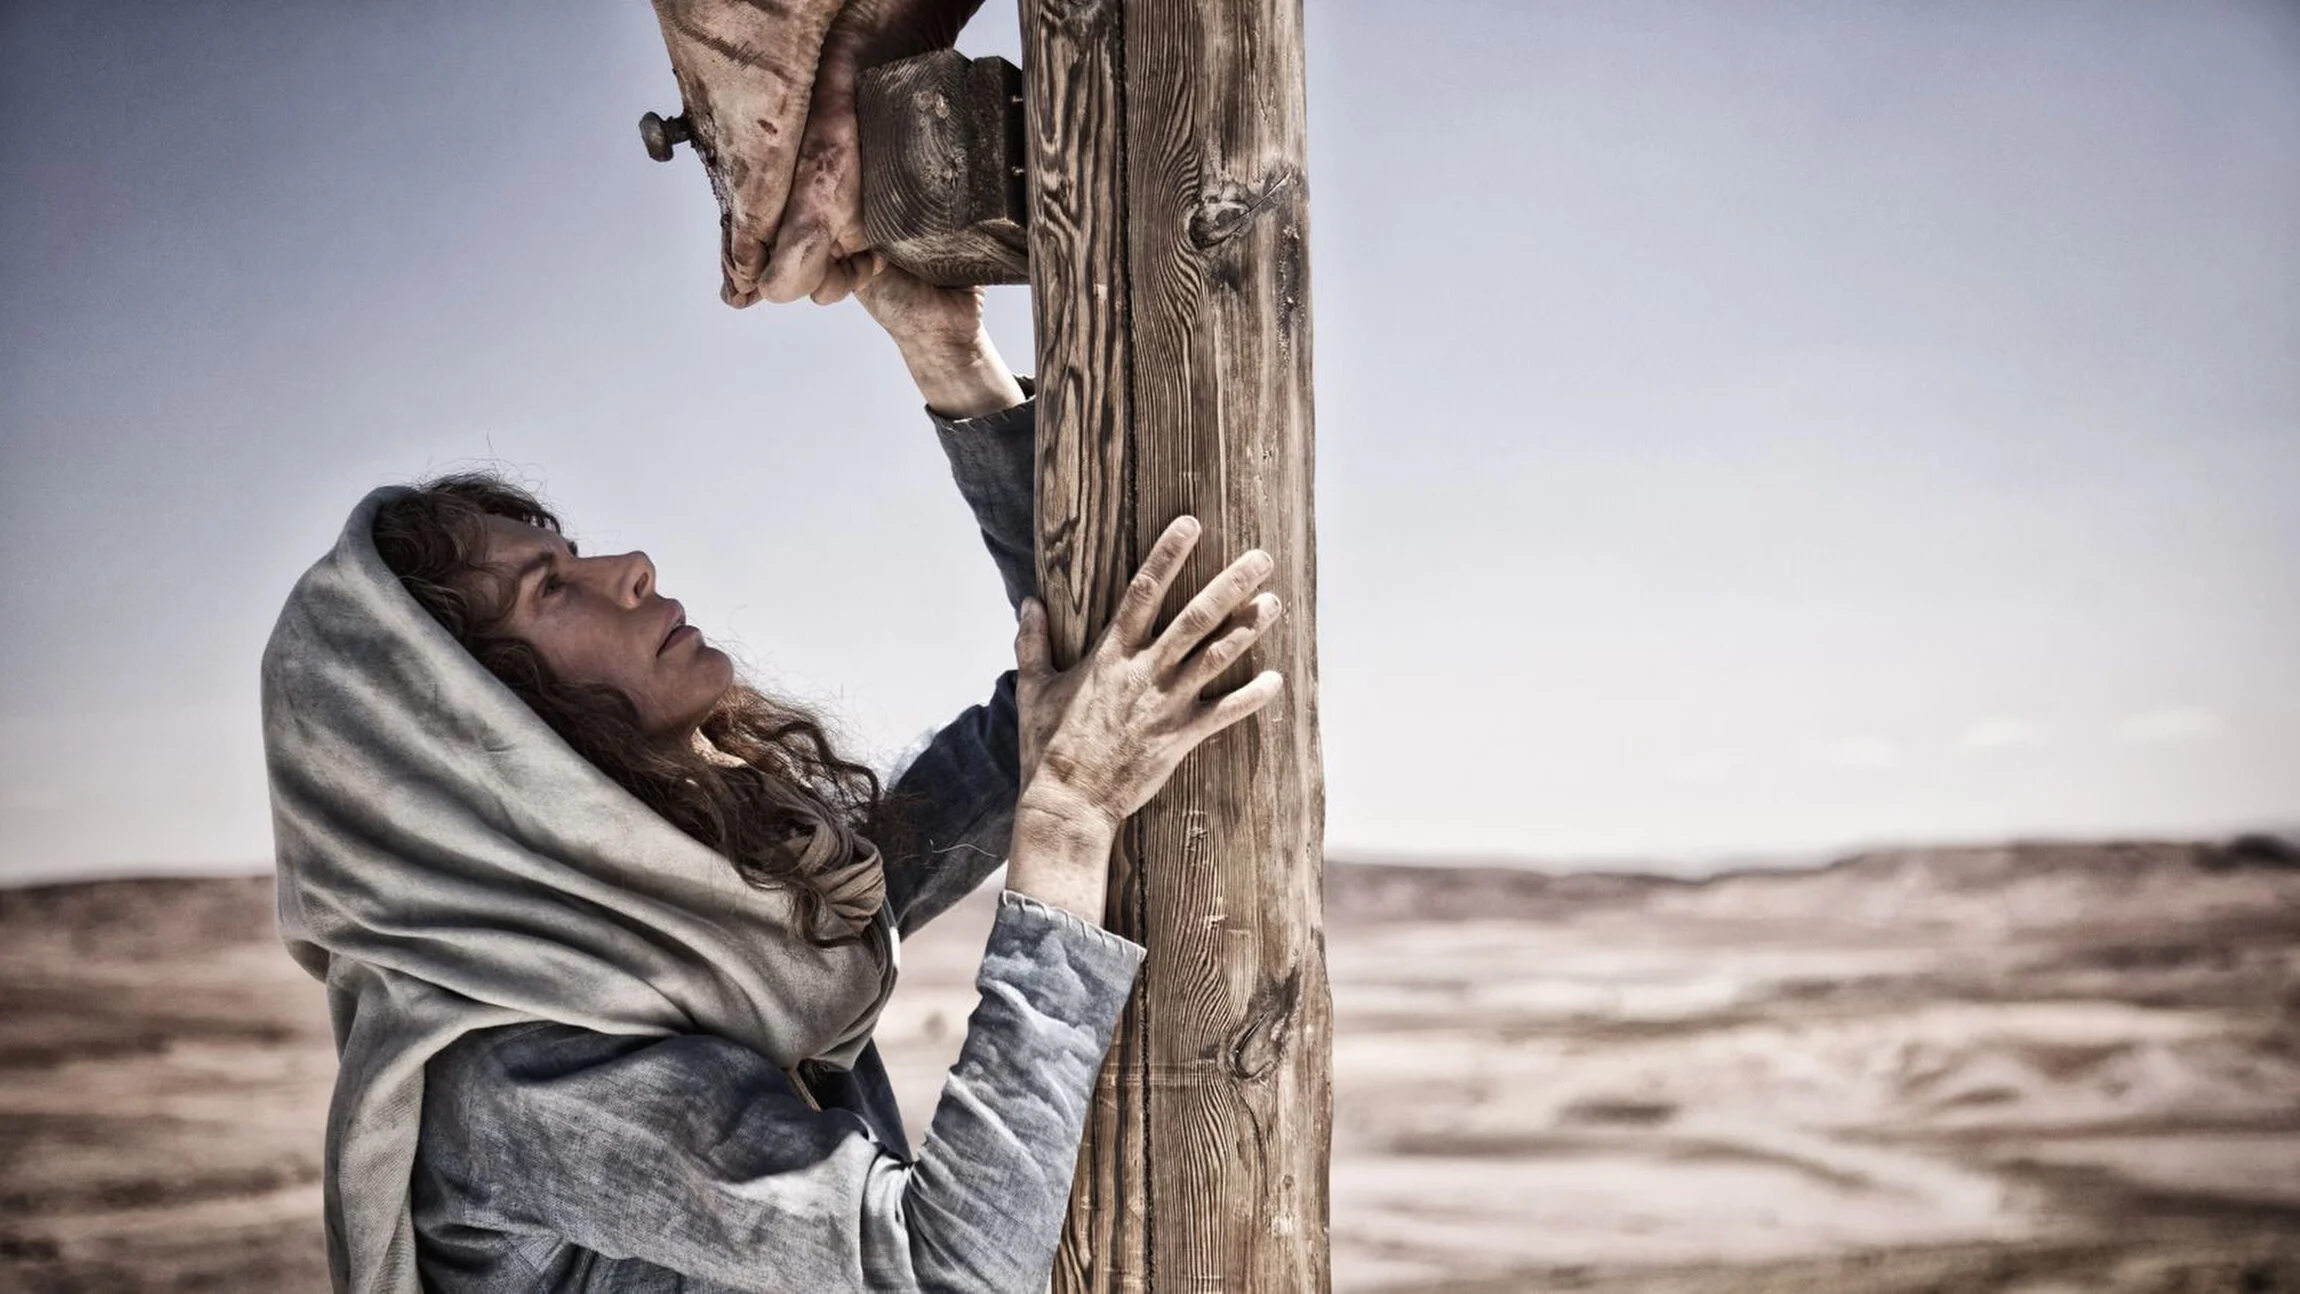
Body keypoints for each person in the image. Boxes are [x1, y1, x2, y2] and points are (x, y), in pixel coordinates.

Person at [260, 259, 1286, 1293]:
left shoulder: (721, 916)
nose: (630, 568)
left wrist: (957, 370)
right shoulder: (519, 1084)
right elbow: (945, 1275)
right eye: (550, 588)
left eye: (569, 551)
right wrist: (1063, 827)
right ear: (469, 735)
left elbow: (1050, 713)